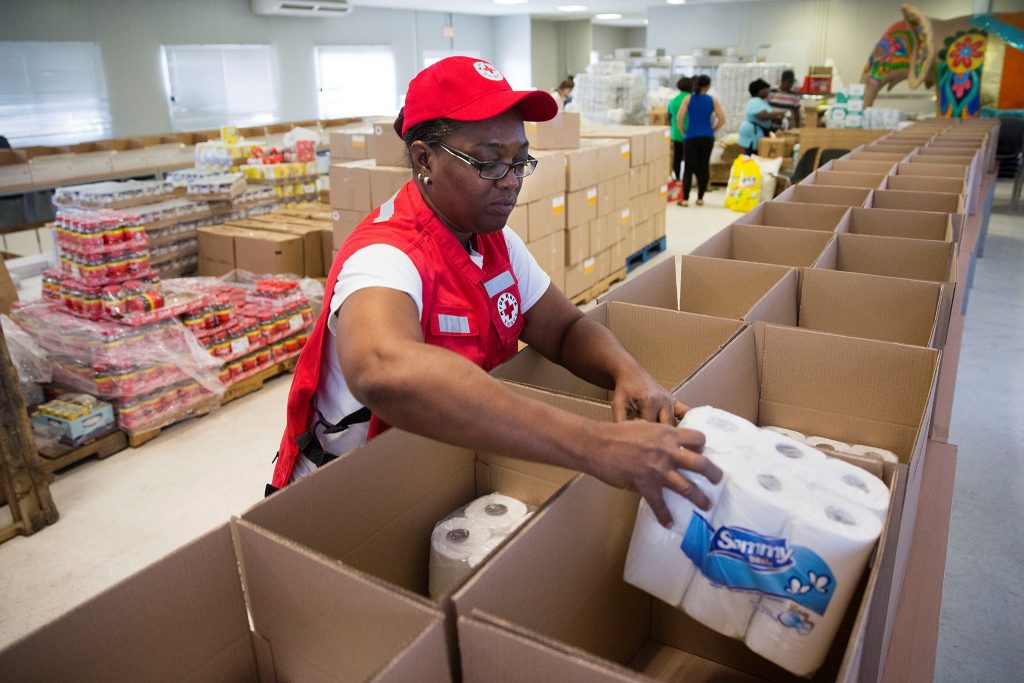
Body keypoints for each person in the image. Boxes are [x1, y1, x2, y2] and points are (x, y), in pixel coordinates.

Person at [270, 57, 719, 527]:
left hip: (438, 471)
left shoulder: (494, 242)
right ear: (425, 159)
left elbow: (564, 328)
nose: (511, 180)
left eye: (520, 160)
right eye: (487, 162)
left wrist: (628, 372)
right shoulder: (386, 256)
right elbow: (383, 367)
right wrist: (595, 445)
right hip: (355, 499)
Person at [675, 75, 725, 207]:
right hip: (707, 137)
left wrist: (683, 132)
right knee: (704, 166)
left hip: (691, 137)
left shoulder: (688, 99)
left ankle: (685, 199)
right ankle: (700, 198)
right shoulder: (712, 100)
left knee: (689, 168)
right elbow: (722, 118)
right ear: (707, 87)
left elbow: (679, 119)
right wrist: (713, 129)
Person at [738, 79, 788, 156]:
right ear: (759, 91)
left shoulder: (759, 101)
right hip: (752, 133)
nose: (768, 91)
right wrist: (779, 114)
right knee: (752, 156)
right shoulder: (755, 101)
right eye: (766, 89)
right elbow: (762, 116)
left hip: (755, 130)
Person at [667, 76, 692, 182]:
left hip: (675, 133)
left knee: (677, 158)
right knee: (688, 158)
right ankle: (687, 179)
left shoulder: (673, 100)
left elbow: (668, 117)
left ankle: (677, 178)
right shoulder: (691, 99)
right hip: (689, 132)